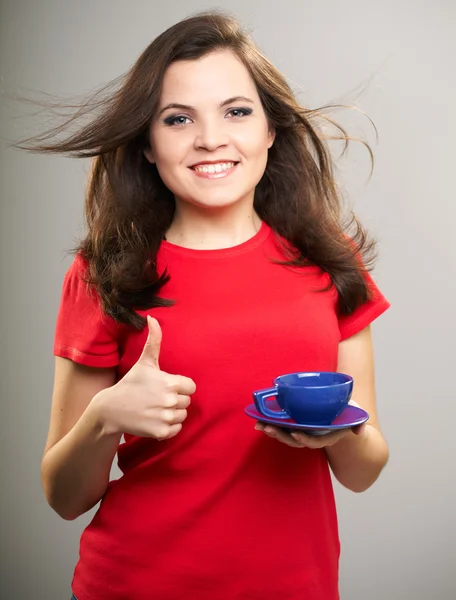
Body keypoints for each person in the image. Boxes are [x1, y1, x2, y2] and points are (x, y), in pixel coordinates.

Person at [26, 10, 390, 600]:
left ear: (271, 129)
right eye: (178, 119)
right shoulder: (103, 274)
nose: (211, 139)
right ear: (147, 144)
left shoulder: (332, 263)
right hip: (133, 585)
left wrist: (337, 434)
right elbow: (63, 497)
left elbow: (364, 470)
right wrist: (105, 417)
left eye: (237, 112)